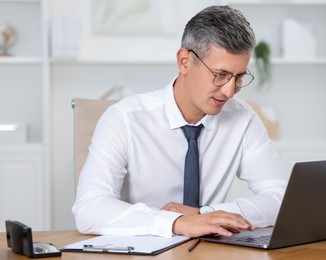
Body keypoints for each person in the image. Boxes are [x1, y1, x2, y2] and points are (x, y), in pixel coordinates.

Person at [72, 5, 288, 238]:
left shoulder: (243, 119)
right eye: (220, 75)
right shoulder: (124, 119)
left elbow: (281, 198)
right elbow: (89, 208)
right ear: (184, 61)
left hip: (210, 251)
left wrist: (205, 213)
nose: (229, 91)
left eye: (239, 77)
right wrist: (176, 223)